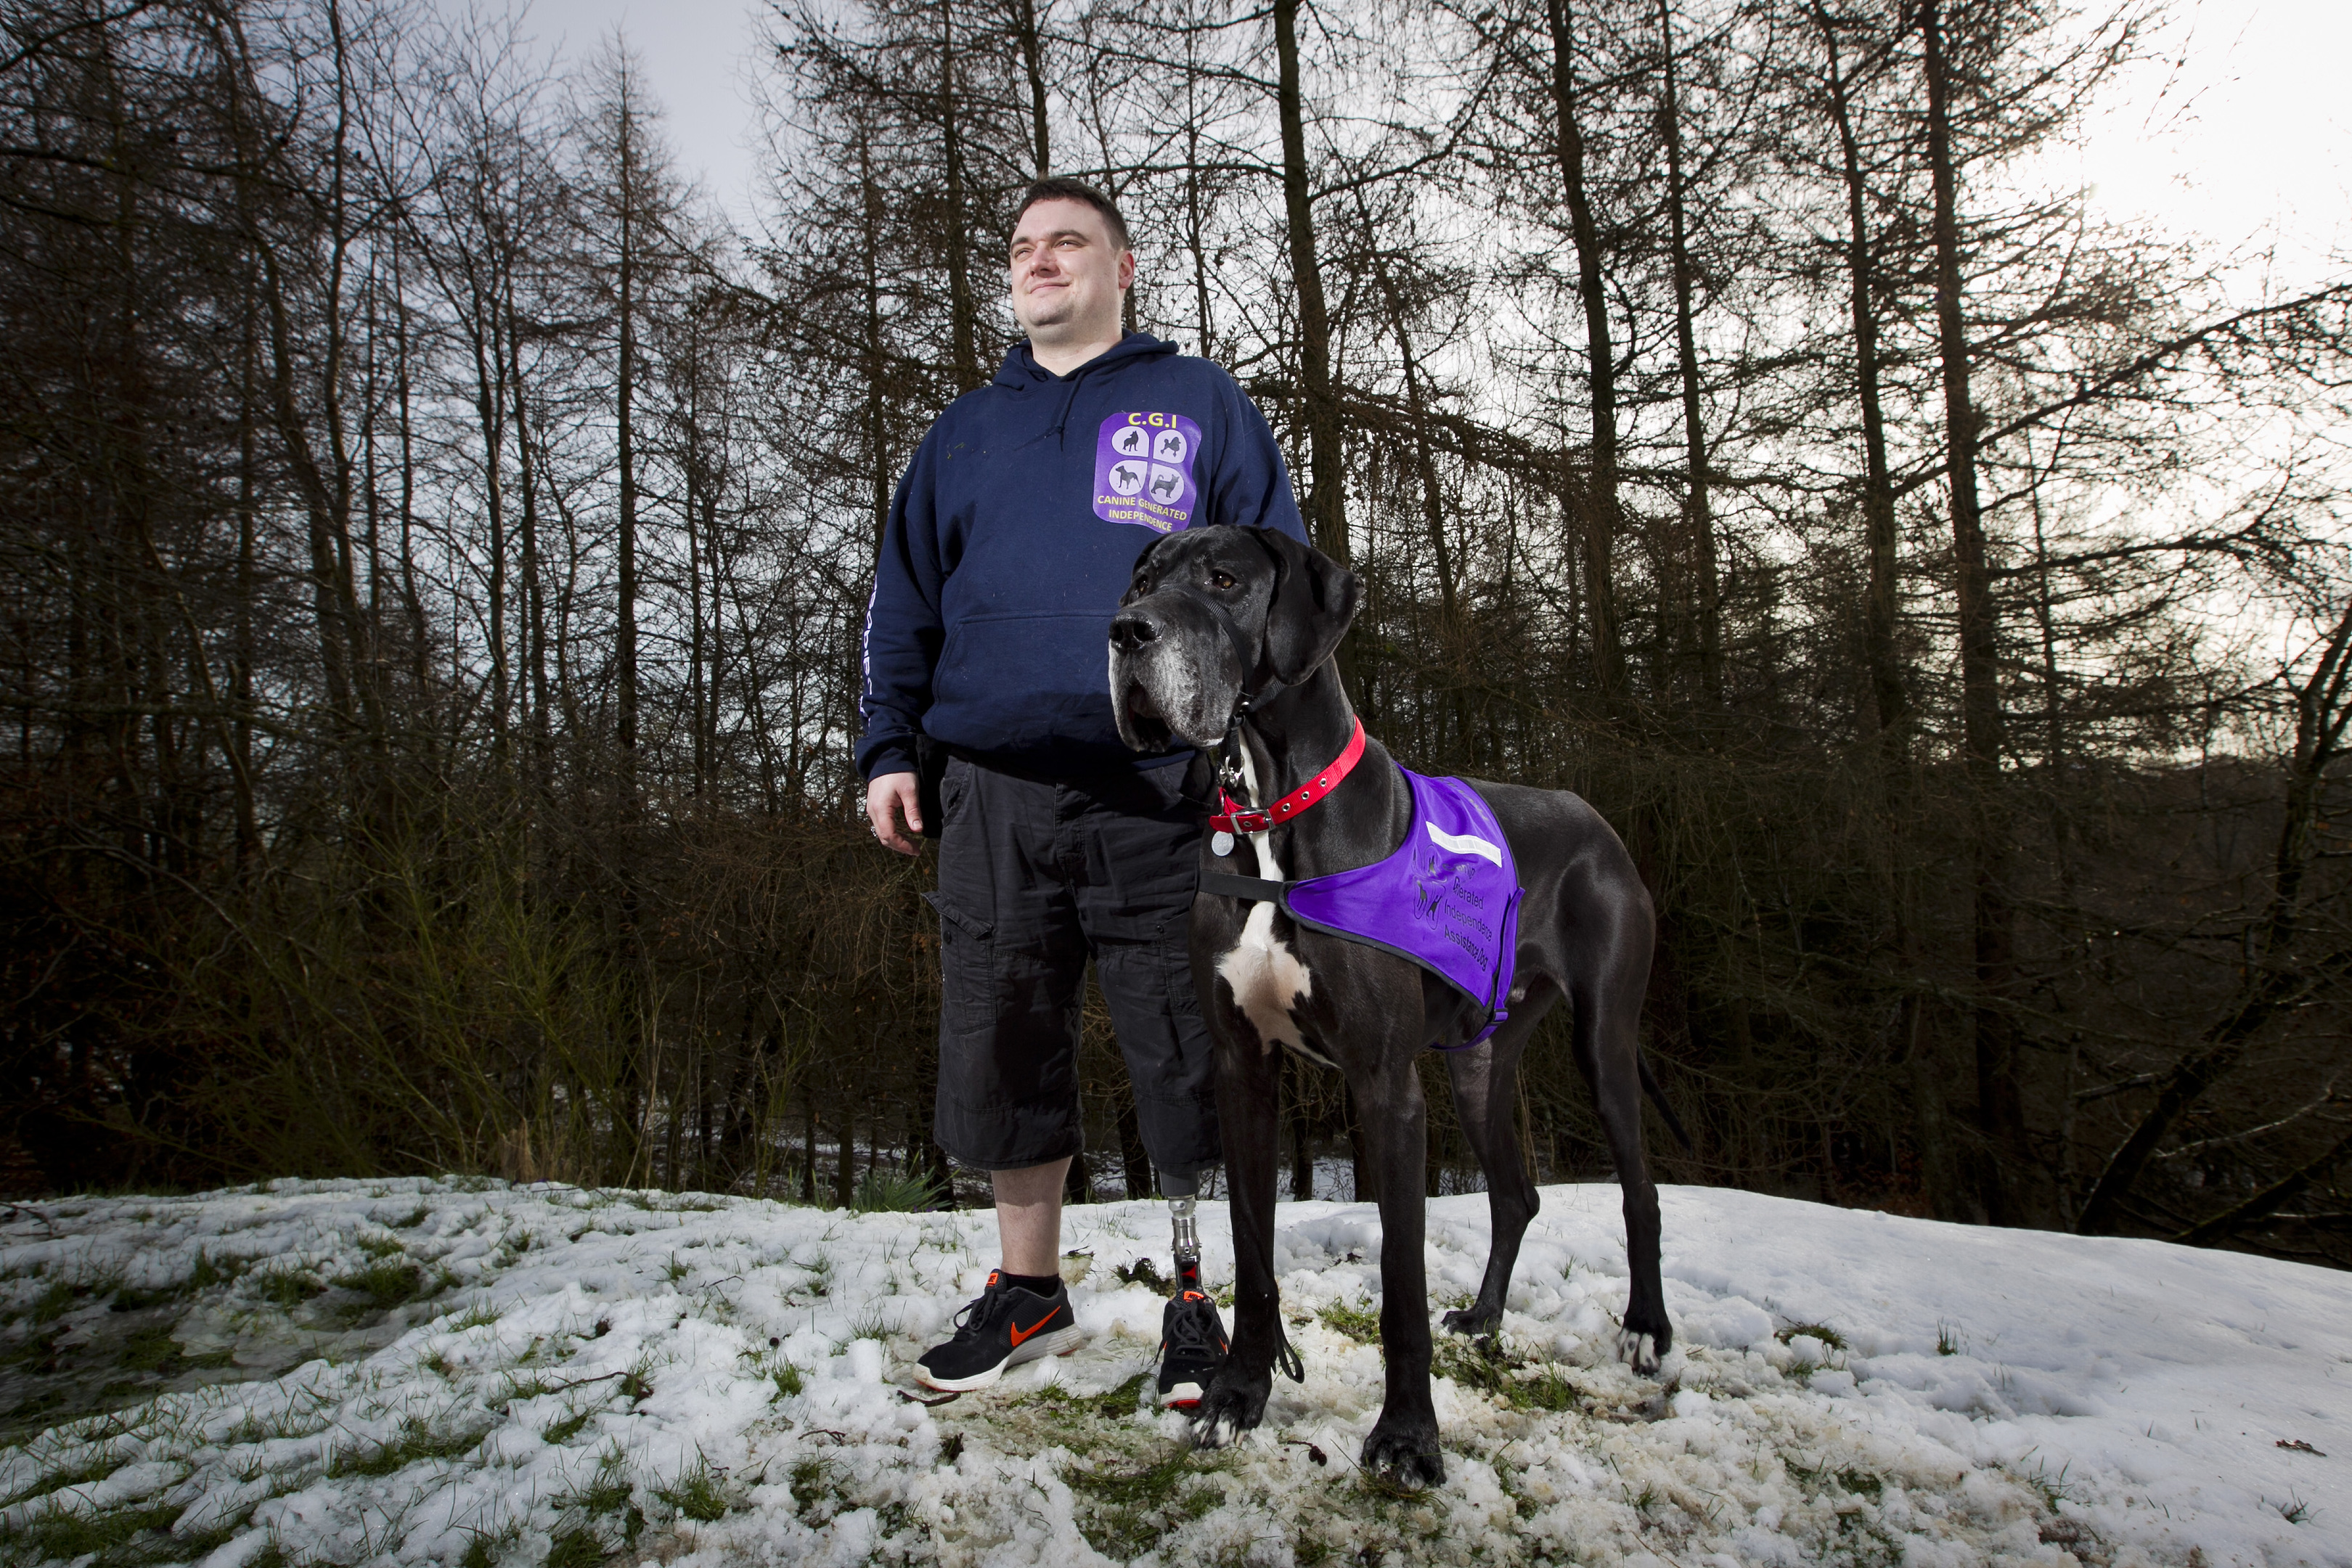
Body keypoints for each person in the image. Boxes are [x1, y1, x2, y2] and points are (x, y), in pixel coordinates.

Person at [859, 178, 1307, 1402]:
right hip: (991, 793)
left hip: (1164, 791)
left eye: (1069, 243)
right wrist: (888, 749)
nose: (1041, 261)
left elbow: (1276, 574)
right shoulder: (960, 434)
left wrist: (1252, 748)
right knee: (1000, 1043)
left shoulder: (1198, 400)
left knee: (1186, 1045)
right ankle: (1027, 1294)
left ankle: (1201, 1302)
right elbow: (905, 604)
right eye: (1022, 248)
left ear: (1121, 267)